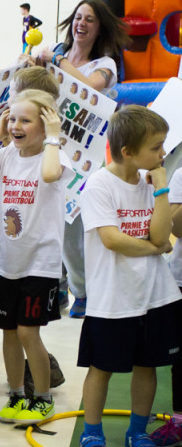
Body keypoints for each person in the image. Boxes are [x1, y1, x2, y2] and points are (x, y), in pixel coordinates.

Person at [0, 90, 73, 425]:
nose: (15, 125)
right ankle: (15, 393)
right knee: (9, 331)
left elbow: (51, 175)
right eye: (12, 118)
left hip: (39, 263)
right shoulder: (7, 153)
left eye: (25, 120)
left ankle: (42, 397)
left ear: (45, 126)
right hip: (5, 261)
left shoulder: (55, 156)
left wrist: (54, 137)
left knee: (29, 332)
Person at [77, 105, 180, 447]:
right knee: (101, 369)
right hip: (113, 299)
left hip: (154, 295)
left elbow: (162, 234)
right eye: (156, 147)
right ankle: (93, 431)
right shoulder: (98, 186)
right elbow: (112, 239)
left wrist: (162, 188)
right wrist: (153, 249)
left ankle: (137, 431)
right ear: (128, 152)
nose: (163, 153)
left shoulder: (150, 183)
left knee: (147, 366)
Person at [30, 0, 130, 319]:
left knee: (73, 225)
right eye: (78, 17)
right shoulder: (55, 50)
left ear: (100, 27)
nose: (81, 23)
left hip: (83, 156)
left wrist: (56, 58)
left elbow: (87, 88)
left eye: (89, 19)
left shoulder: (105, 64)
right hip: (48, 145)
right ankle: (55, 286)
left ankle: (83, 290)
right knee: (45, 219)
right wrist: (32, 61)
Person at [153, 143, 182, 446]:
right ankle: (179, 419)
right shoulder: (180, 175)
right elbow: (177, 228)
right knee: (180, 358)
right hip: (181, 279)